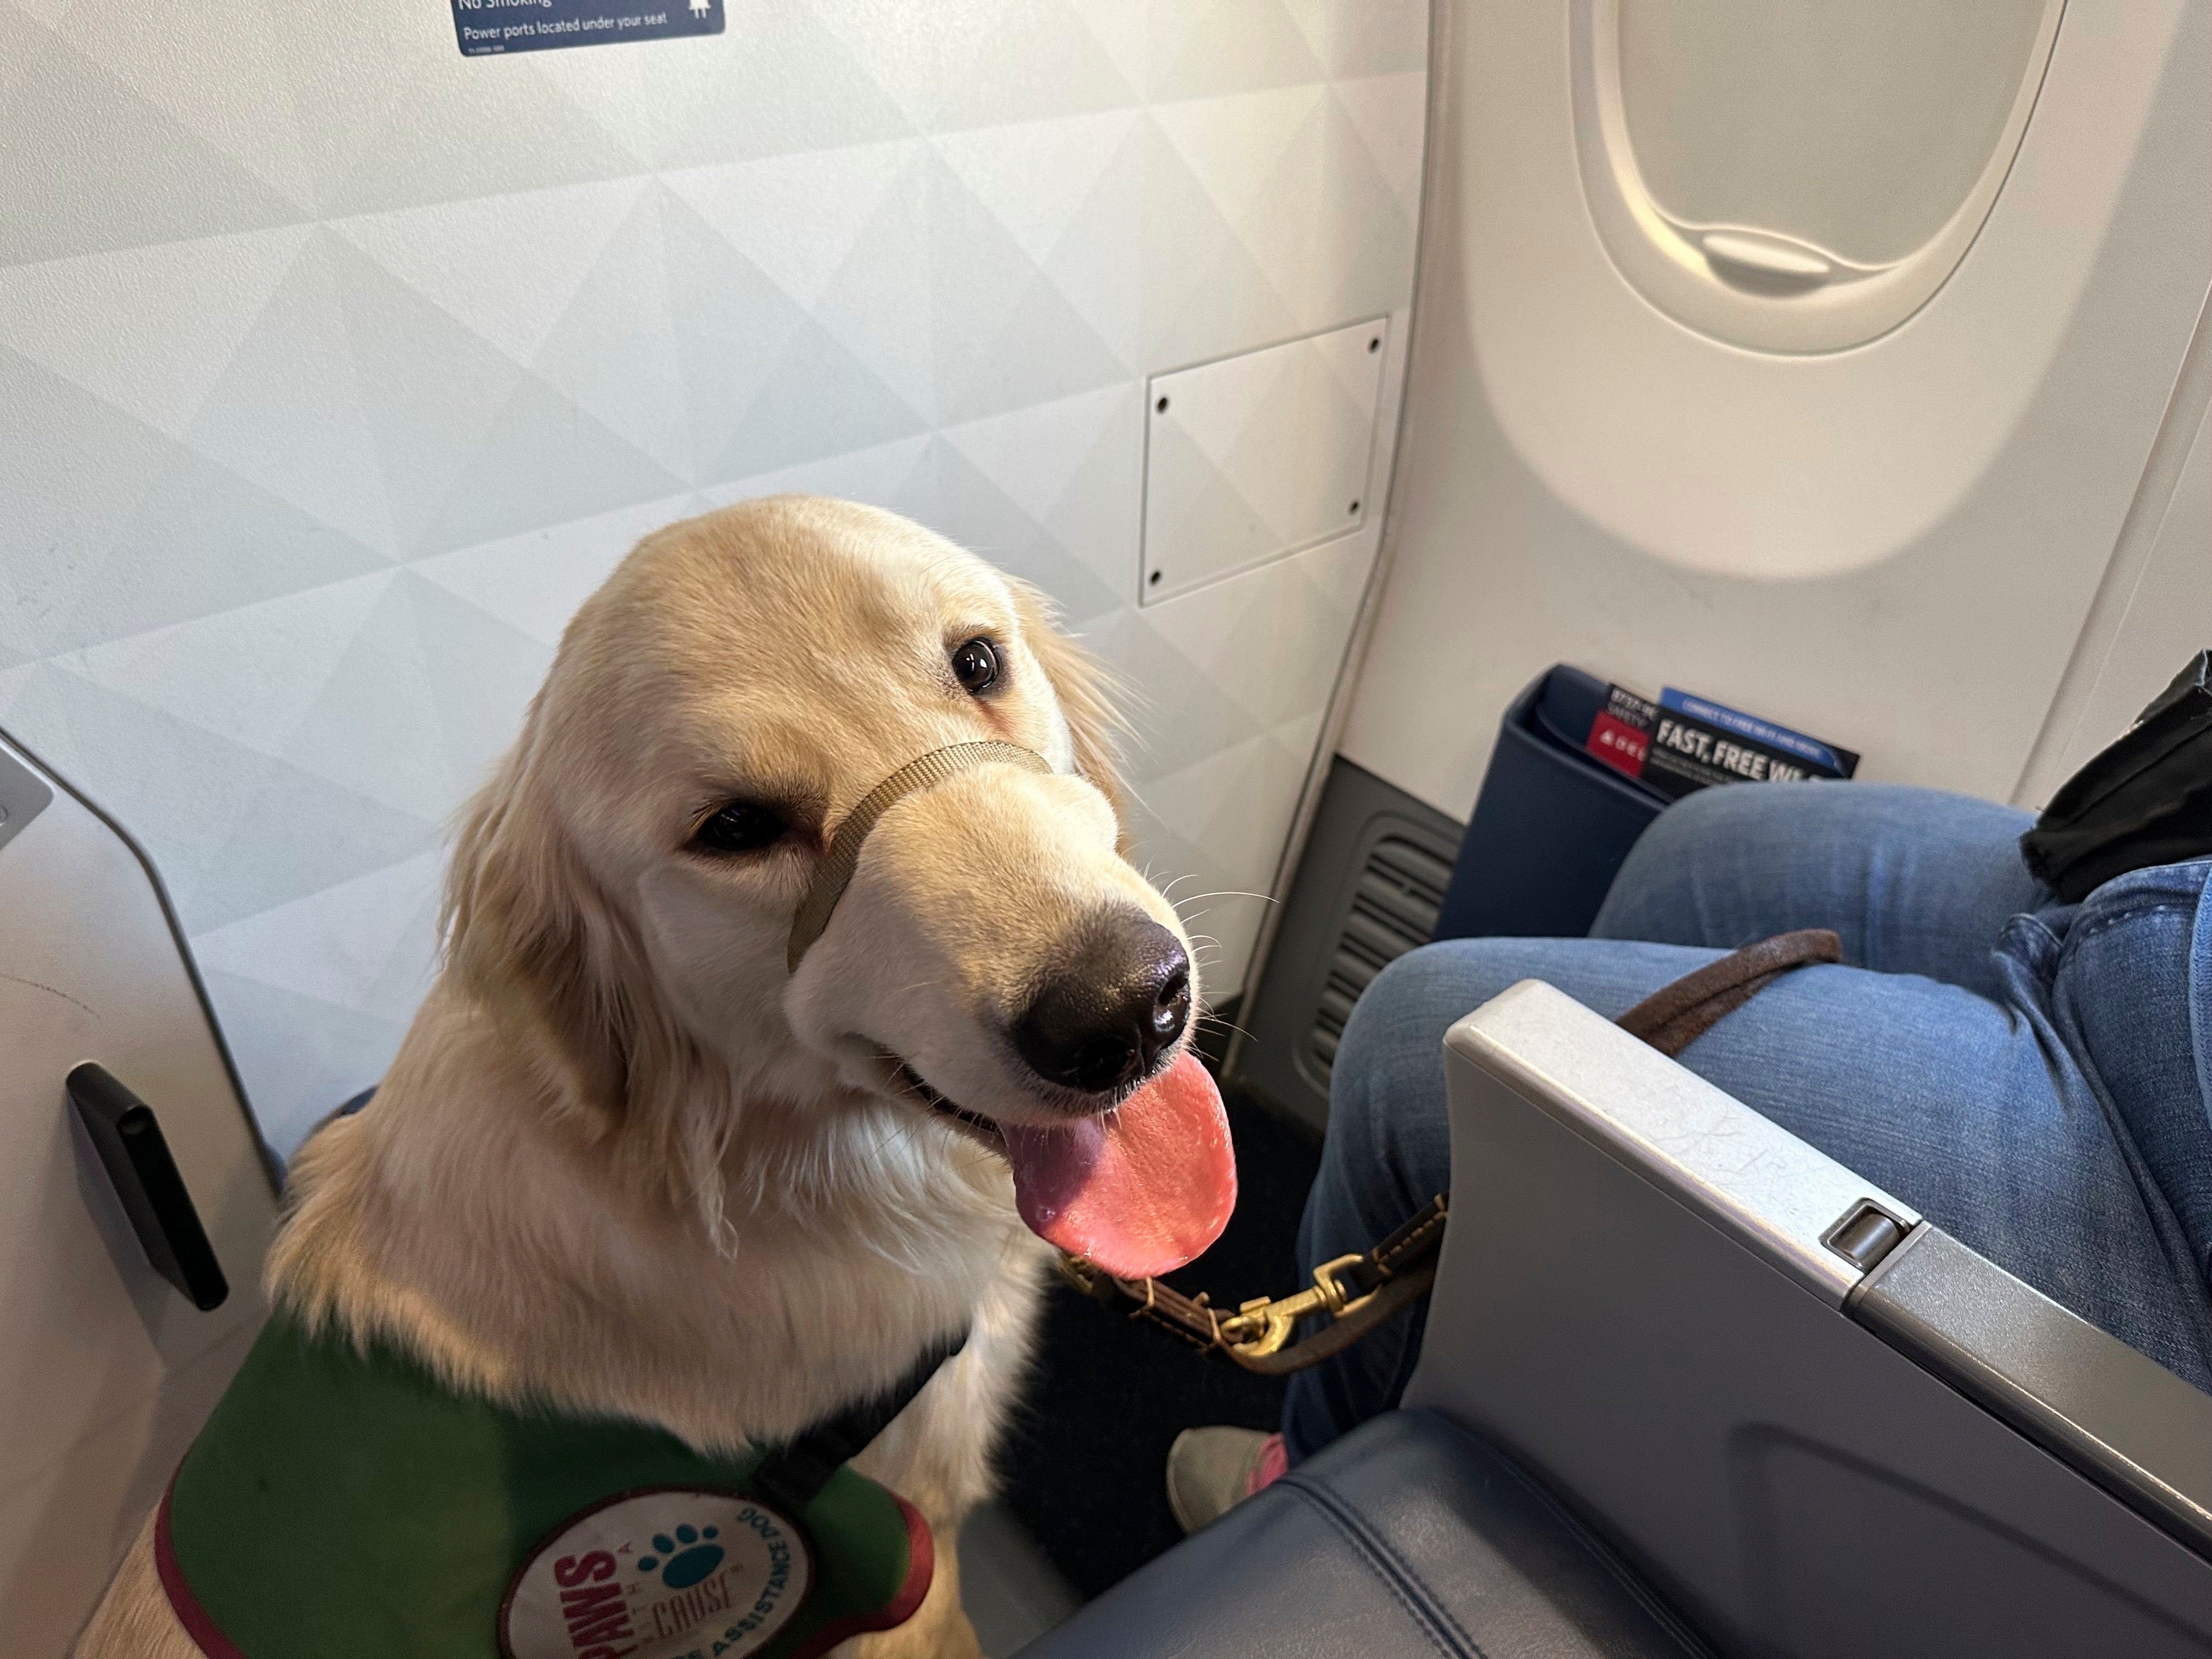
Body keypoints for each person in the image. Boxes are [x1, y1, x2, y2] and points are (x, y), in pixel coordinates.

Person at [1166, 781, 2212, 1532]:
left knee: (1421, 1054)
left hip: (2169, 1165)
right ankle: (1542, 1390)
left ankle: (1312, 1498)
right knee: (1690, 855)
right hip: (2167, 894)